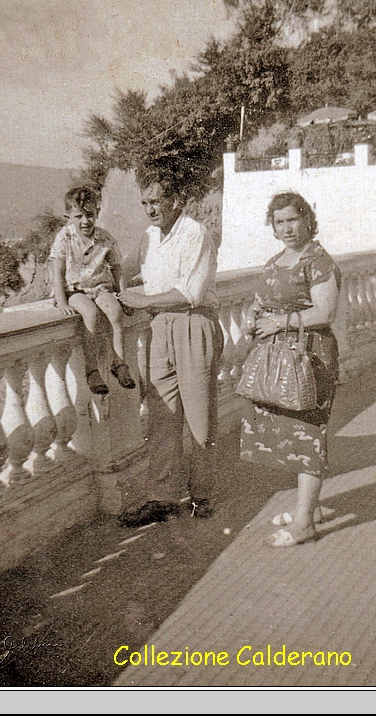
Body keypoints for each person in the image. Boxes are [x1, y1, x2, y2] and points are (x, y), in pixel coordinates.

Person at [116, 175, 223, 527]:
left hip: (192, 323)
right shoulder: (149, 237)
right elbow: (123, 269)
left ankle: (202, 495)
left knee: (198, 417)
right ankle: (162, 497)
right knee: (161, 416)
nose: (151, 209)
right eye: (145, 202)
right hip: (159, 327)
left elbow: (189, 292)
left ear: (177, 199)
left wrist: (143, 300)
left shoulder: (196, 234)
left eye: (157, 200)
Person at [242, 191, 341, 548]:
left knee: (308, 435)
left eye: (293, 219)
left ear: (307, 220)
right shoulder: (276, 261)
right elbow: (260, 301)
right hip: (280, 361)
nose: (287, 228)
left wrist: (278, 323)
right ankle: (310, 509)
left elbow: (324, 313)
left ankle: (304, 524)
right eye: (279, 221)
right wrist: (252, 318)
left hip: (310, 359)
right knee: (288, 432)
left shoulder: (318, 260)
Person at [50, 185, 135, 395]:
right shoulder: (64, 238)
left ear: (97, 212)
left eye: (90, 215)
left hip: (99, 287)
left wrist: (123, 295)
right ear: (68, 216)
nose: (85, 221)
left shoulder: (104, 238)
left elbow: (117, 267)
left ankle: (119, 363)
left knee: (115, 312)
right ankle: (92, 370)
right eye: (78, 216)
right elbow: (57, 271)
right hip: (74, 290)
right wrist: (61, 301)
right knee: (91, 314)